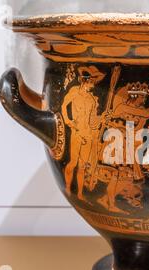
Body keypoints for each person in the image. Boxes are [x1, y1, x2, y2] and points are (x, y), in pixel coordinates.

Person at [61, 66, 105, 199]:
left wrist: (103, 117)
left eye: (94, 82)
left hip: (88, 134)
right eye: (91, 81)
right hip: (77, 132)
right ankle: (68, 188)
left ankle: (80, 194)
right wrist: (68, 121)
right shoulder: (74, 91)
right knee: (73, 162)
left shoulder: (92, 100)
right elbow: (64, 106)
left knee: (82, 166)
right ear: (85, 80)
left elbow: (92, 121)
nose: (93, 84)